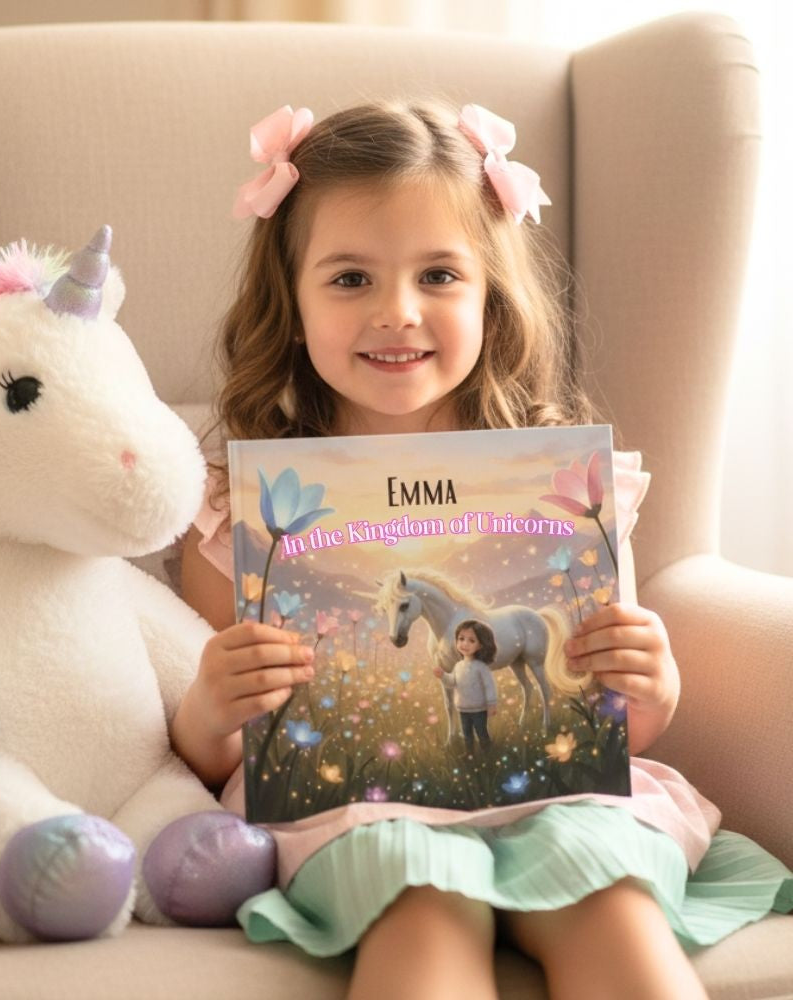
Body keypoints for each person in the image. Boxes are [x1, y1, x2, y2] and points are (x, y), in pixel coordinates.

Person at [170, 100, 792, 1000]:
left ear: (490, 299)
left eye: (438, 275)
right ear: (292, 303)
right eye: (350, 278)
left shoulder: (566, 487)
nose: (397, 312)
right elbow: (220, 754)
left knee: (612, 902)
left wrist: (652, 687)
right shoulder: (239, 513)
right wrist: (208, 709)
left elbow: (603, 719)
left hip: (560, 802)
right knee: (421, 908)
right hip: (362, 816)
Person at [450, 619, 498, 751]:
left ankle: (487, 752)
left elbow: (489, 686)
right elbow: (452, 681)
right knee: (466, 734)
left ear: (481, 645)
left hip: (478, 709)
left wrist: (492, 704)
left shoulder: (481, 667)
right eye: (461, 639)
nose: (465, 644)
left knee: (481, 732)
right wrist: (442, 676)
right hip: (463, 708)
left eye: (471, 641)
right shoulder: (458, 666)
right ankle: (469, 753)